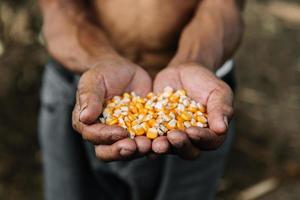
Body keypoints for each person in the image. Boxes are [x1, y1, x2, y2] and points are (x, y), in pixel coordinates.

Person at [38, 0, 245, 199]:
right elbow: (58, 6)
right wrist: (101, 60)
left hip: (197, 91)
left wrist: (196, 60)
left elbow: (223, 5)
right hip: (82, 80)